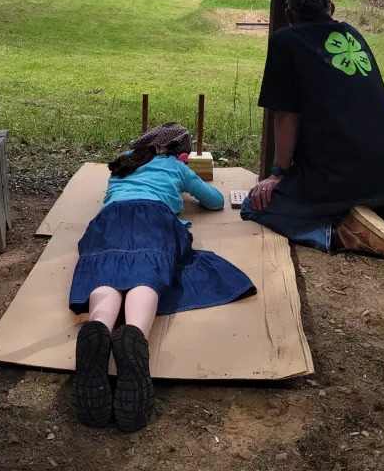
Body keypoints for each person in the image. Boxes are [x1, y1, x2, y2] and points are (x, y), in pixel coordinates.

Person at [69, 123, 255, 433]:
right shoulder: (175, 166)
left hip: (108, 220)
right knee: (148, 274)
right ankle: (134, 334)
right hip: (154, 217)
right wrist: (183, 180)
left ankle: (98, 326)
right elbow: (214, 200)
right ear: (180, 153)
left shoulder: (124, 161)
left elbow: (107, 197)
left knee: (106, 272)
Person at [242, 0, 384, 260]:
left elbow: (285, 115)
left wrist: (277, 174)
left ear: (288, 15)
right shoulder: (352, 34)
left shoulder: (285, 40)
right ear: (330, 9)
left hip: (344, 182)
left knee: (254, 206)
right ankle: (371, 208)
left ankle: (338, 233)